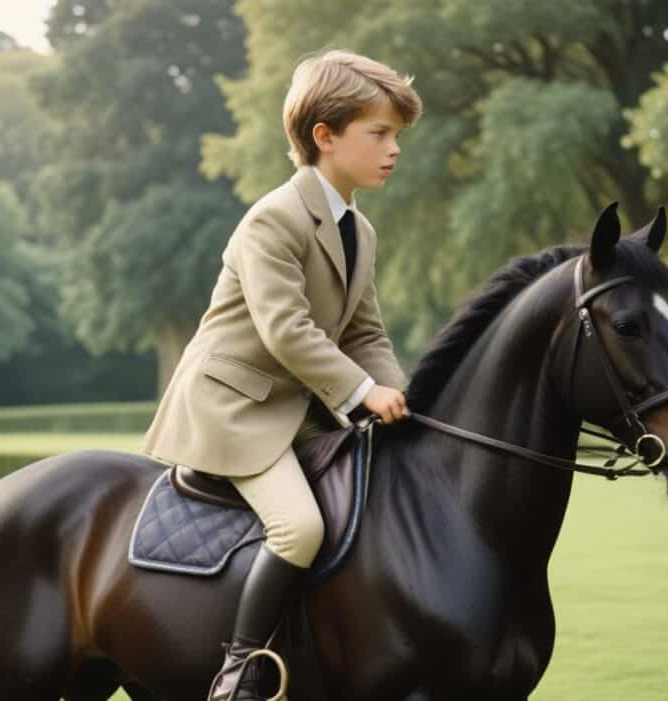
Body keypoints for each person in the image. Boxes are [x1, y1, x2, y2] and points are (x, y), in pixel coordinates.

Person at [141, 48, 422, 701]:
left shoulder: (361, 229)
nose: (393, 149)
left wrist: (402, 395)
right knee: (301, 525)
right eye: (379, 134)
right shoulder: (274, 217)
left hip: (297, 405)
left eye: (397, 137)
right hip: (235, 405)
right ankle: (239, 671)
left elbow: (366, 334)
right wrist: (360, 391)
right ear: (324, 136)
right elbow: (286, 329)